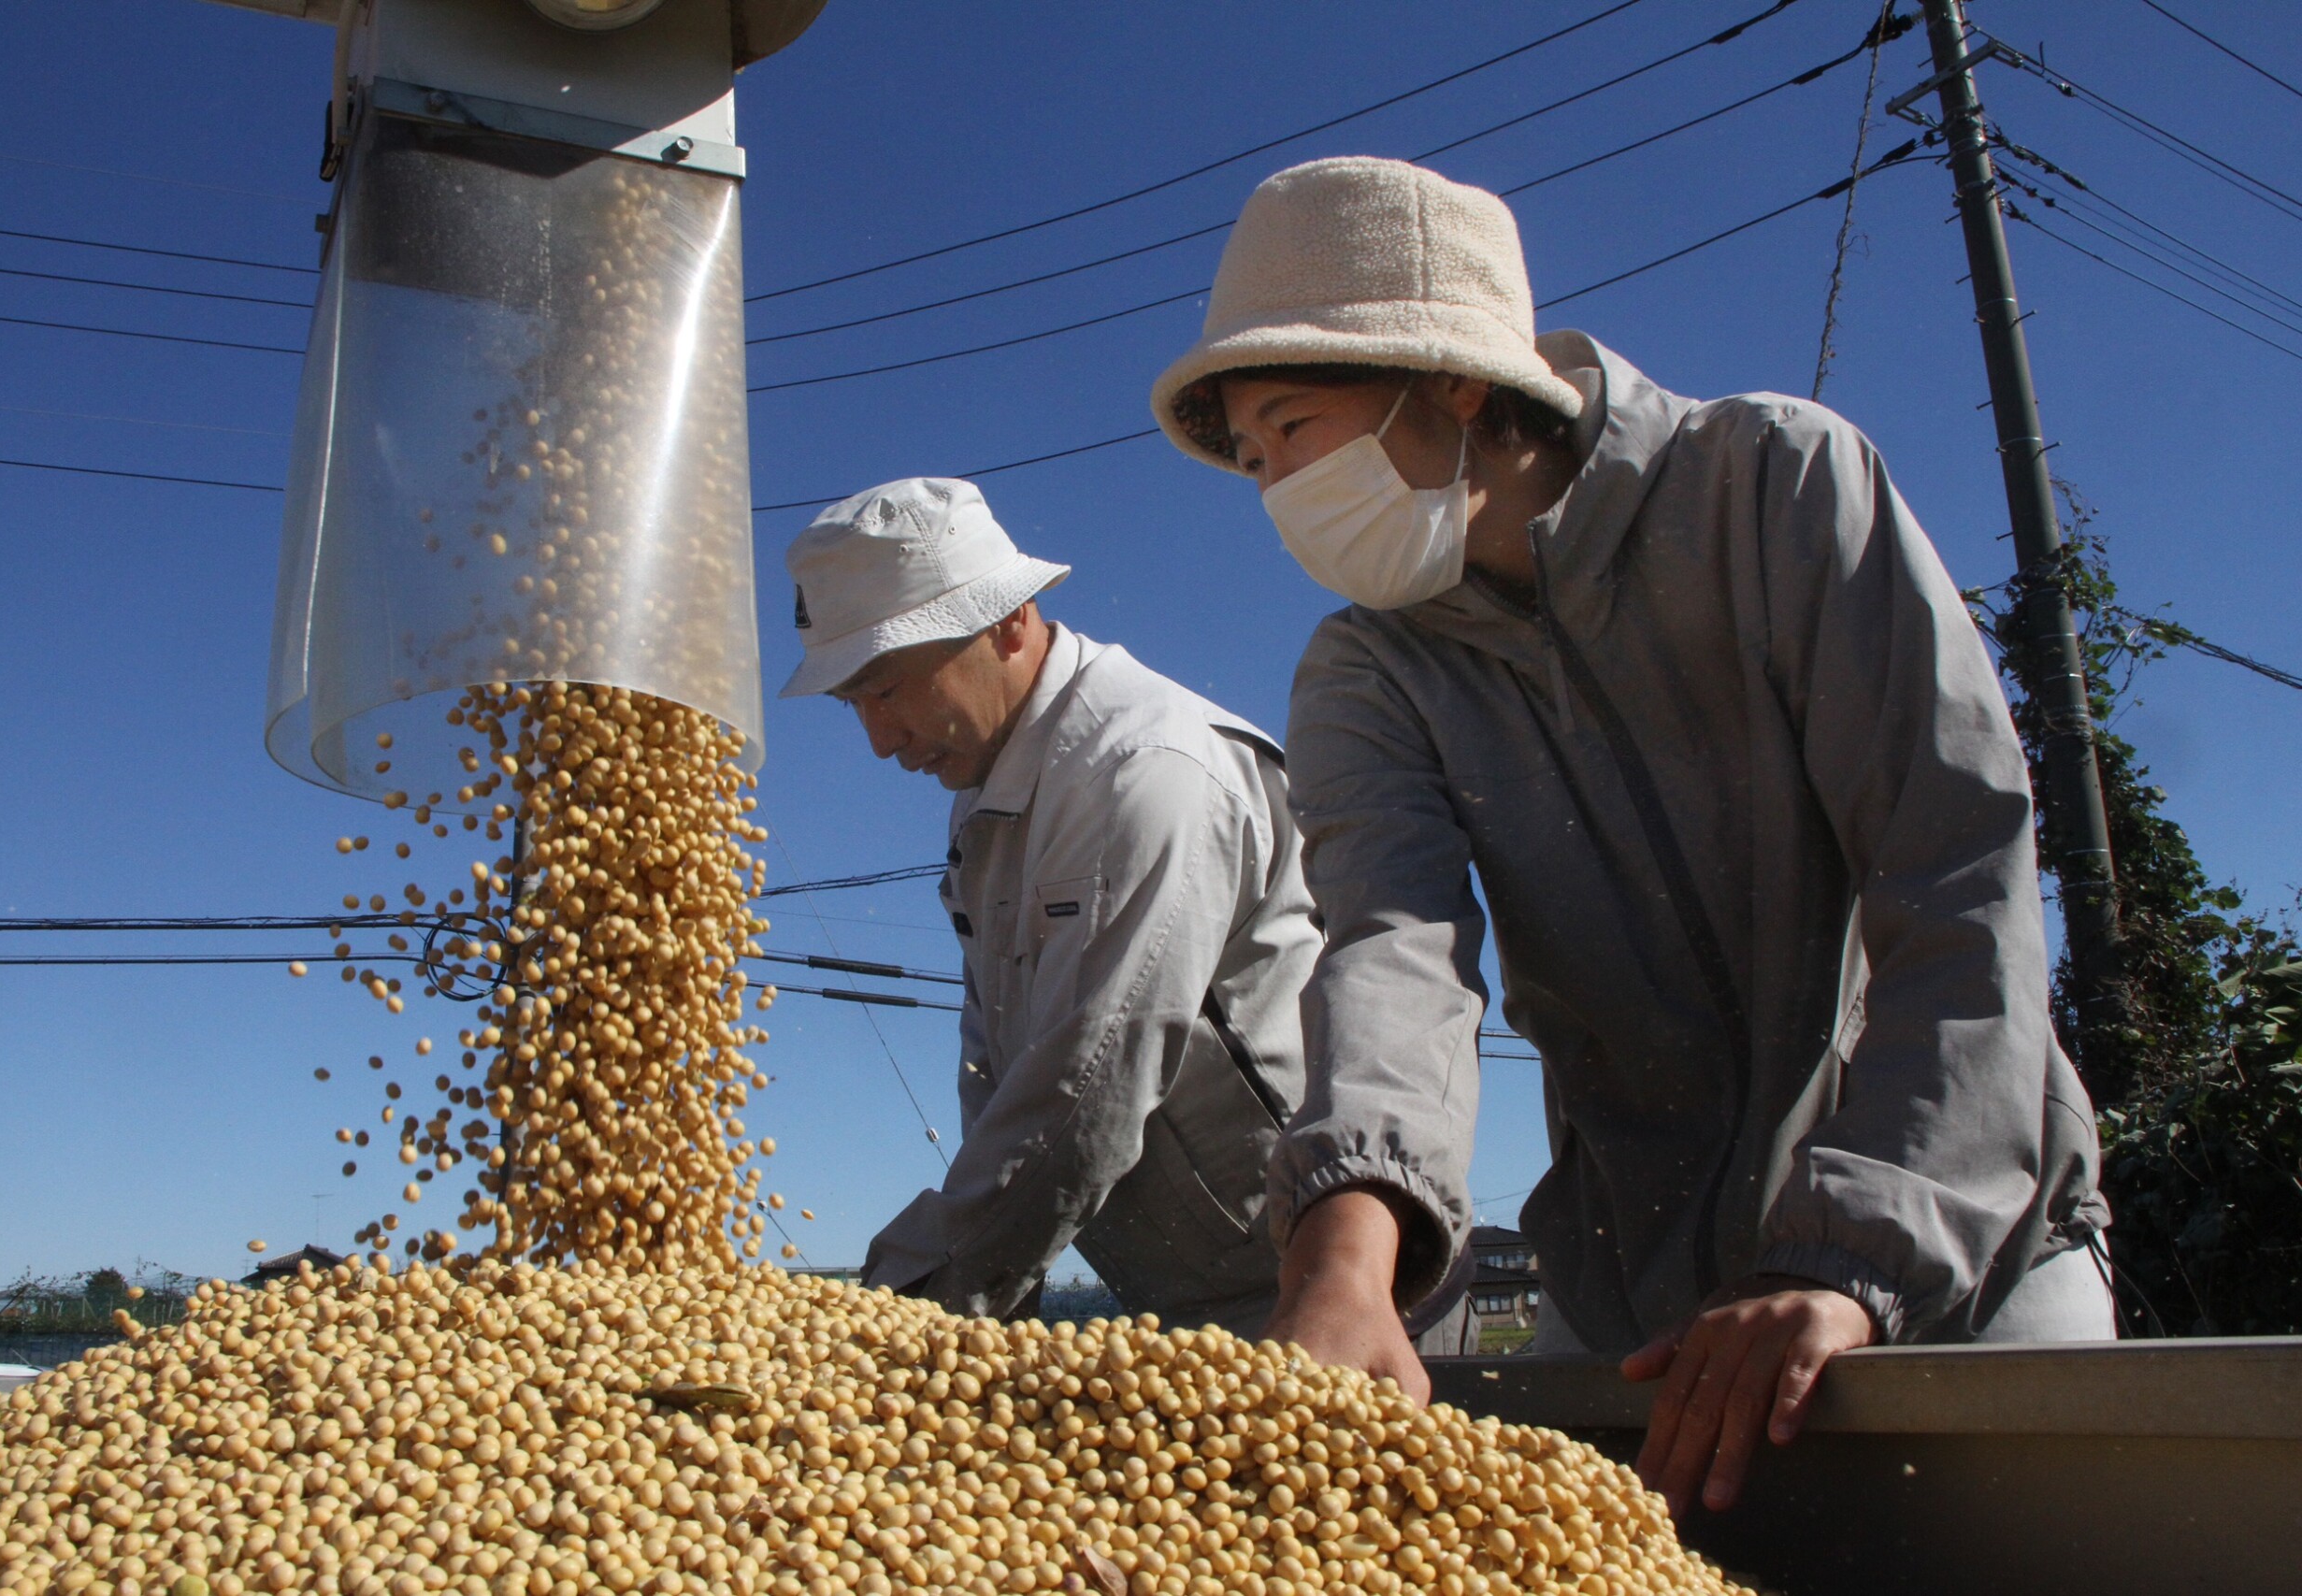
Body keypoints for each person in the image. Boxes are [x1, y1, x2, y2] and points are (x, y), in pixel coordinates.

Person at [1146, 157, 2113, 1515]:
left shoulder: (1772, 491)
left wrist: (1851, 1255)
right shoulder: (1371, 672)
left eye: (1297, 427)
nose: (1280, 489)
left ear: (1455, 382)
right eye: (1254, 462)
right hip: (1647, 1290)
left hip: (1962, 1236)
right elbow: (1390, 955)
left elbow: (1954, 871)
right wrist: (1341, 1264)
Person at [781, 477, 1321, 1335]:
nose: (879, 741)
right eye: (855, 704)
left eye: (887, 689)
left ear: (1007, 622)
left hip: (1321, 1299)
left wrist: (917, 1295)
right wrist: (995, 1285)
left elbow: (1087, 1082)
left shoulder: (1141, 774)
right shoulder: (988, 788)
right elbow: (996, 1059)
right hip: (1189, 1305)